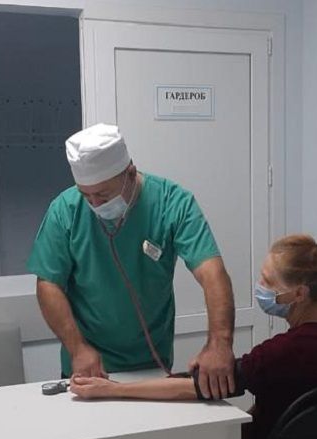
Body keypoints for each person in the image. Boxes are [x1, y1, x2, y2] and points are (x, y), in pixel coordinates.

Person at [70, 234, 317, 439]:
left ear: (299, 294)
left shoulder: (285, 350)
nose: (260, 287)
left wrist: (114, 389)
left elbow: (204, 386)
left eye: (268, 281)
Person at [27, 123, 237, 399]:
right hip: (88, 367)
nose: (95, 204)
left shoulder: (172, 204)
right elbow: (48, 284)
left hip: (151, 365)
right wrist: (77, 348)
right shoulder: (65, 211)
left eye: (103, 195)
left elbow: (212, 273)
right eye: (86, 195)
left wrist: (219, 344)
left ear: (130, 173)